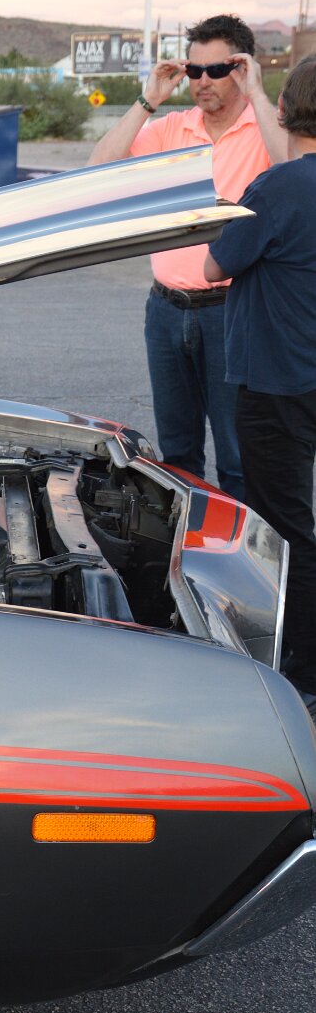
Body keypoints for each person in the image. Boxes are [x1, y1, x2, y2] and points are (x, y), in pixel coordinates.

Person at [87, 14, 287, 500]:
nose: (203, 81)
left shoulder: (263, 128)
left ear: (241, 69)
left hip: (234, 310)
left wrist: (259, 95)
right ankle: (187, 545)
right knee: (177, 458)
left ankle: (241, 547)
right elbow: (97, 170)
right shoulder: (172, 128)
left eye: (217, 70)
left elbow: (294, 168)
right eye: (195, 71)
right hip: (167, 309)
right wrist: (148, 100)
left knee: (238, 458)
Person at [204, 54, 316, 709]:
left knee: (286, 529)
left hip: (278, 380)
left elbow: (216, 265)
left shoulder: (273, 190)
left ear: (284, 110)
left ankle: (303, 668)